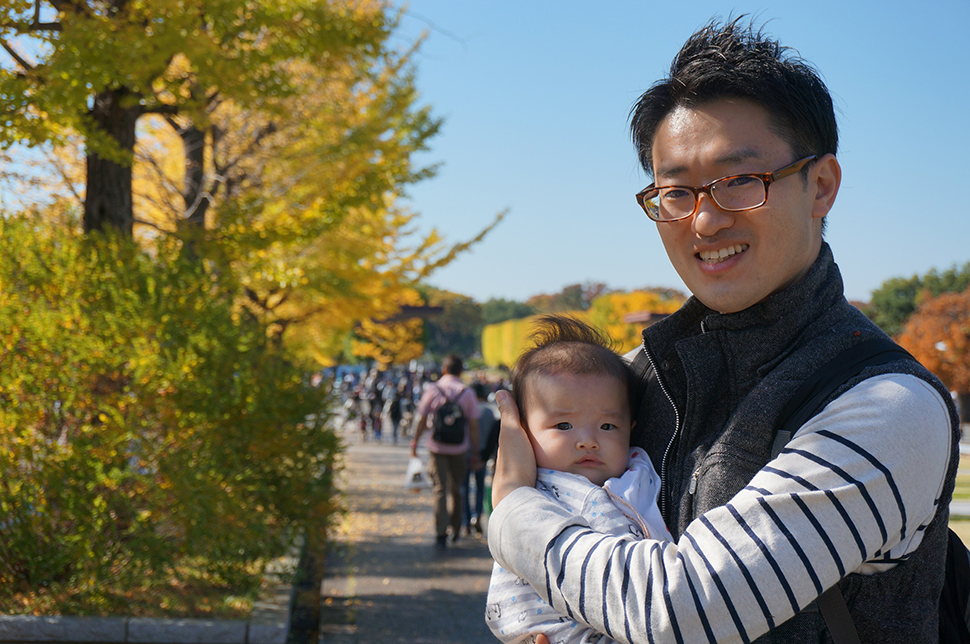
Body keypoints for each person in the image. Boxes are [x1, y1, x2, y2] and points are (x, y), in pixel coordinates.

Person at [488, 17, 960, 643]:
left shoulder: (889, 405)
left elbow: (682, 612)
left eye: (740, 181)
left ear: (820, 186)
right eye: (675, 192)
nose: (705, 221)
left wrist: (512, 509)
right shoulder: (637, 375)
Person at [486, 315, 671, 643]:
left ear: (633, 428)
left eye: (607, 426)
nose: (588, 440)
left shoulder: (635, 470)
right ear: (523, 433)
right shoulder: (562, 494)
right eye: (564, 426)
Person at [411, 355, 482, 550]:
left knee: (440, 490)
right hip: (460, 447)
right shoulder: (467, 393)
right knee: (457, 489)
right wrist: (475, 450)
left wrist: (415, 442)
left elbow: (421, 417)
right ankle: (457, 527)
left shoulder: (433, 390)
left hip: (437, 447)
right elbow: (474, 425)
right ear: (460, 372)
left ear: (443, 370)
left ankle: (440, 532)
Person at [462, 381, 498, 536]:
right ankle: (477, 515)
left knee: (464, 488)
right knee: (480, 487)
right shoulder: (490, 412)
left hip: (464, 453)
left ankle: (465, 520)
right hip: (482, 455)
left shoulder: (467, 409)